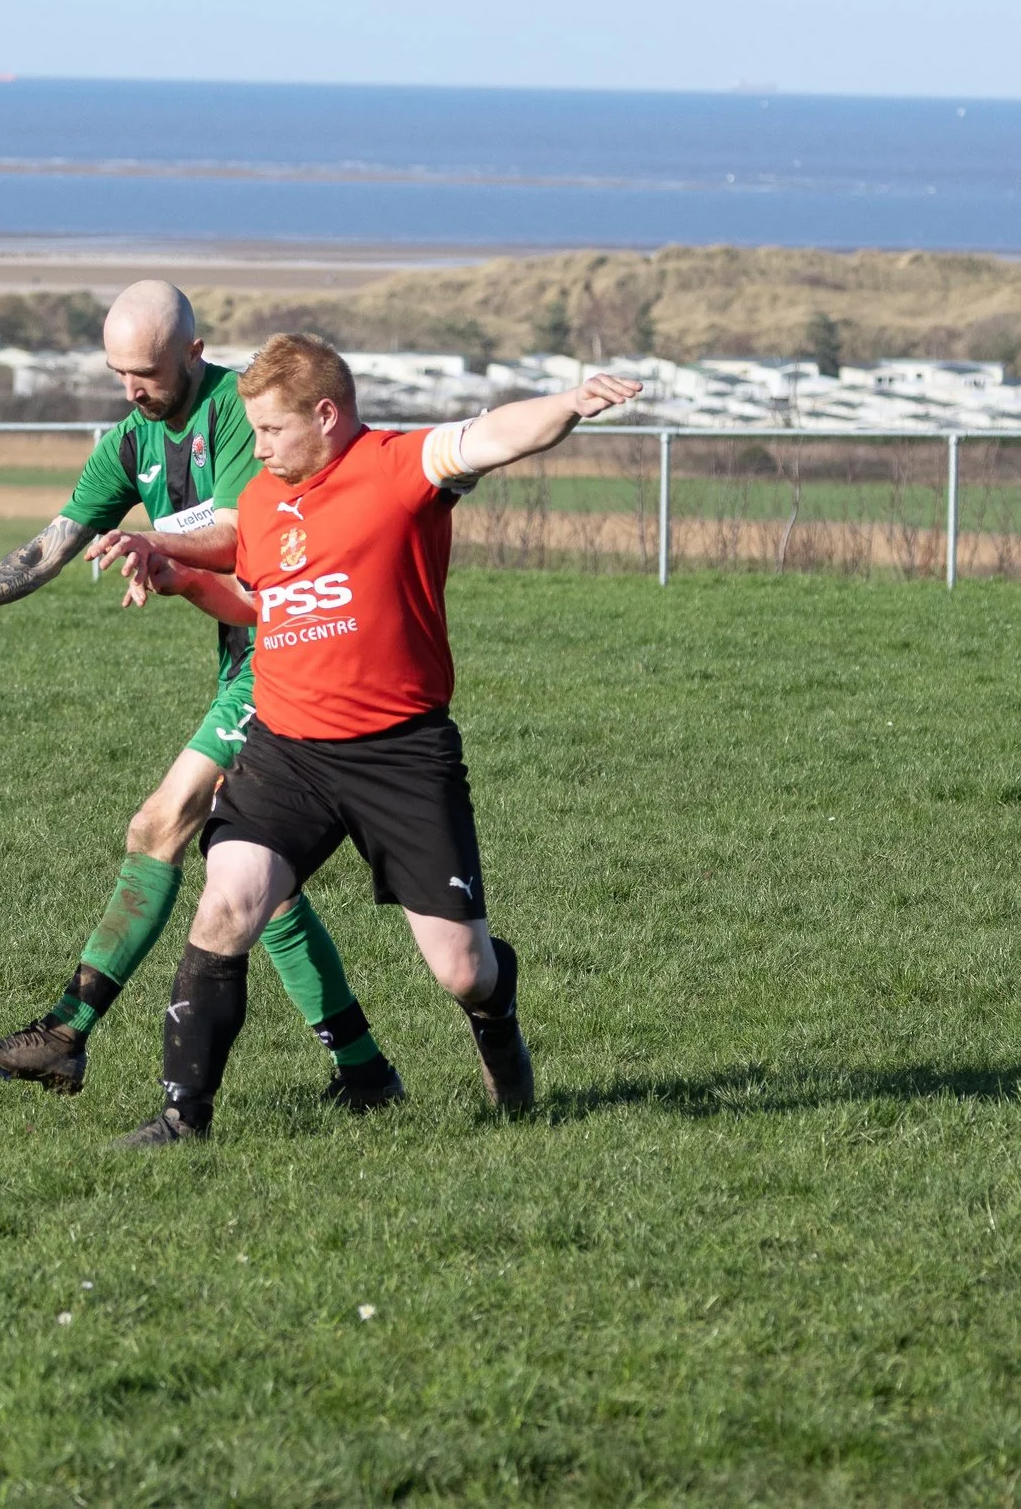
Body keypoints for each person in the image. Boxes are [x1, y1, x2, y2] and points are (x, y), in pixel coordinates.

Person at [115, 332, 641, 1145]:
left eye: (271, 431)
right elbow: (260, 596)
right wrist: (175, 568)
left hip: (401, 755)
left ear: (326, 414)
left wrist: (569, 405)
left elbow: (493, 434)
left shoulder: (400, 468)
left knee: (462, 971)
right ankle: (184, 1117)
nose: (256, 449)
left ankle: (496, 1013)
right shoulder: (264, 497)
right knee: (228, 903)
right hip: (288, 752)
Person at [0, 283, 404, 1110]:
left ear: (194, 355)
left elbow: (243, 535)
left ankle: (64, 1035)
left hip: (294, 652)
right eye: (119, 371)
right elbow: (59, 541)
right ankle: (367, 1072)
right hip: (248, 661)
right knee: (257, 879)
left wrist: (153, 540)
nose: (131, 388)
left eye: (148, 372)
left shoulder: (244, 414)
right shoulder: (131, 442)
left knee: (159, 824)